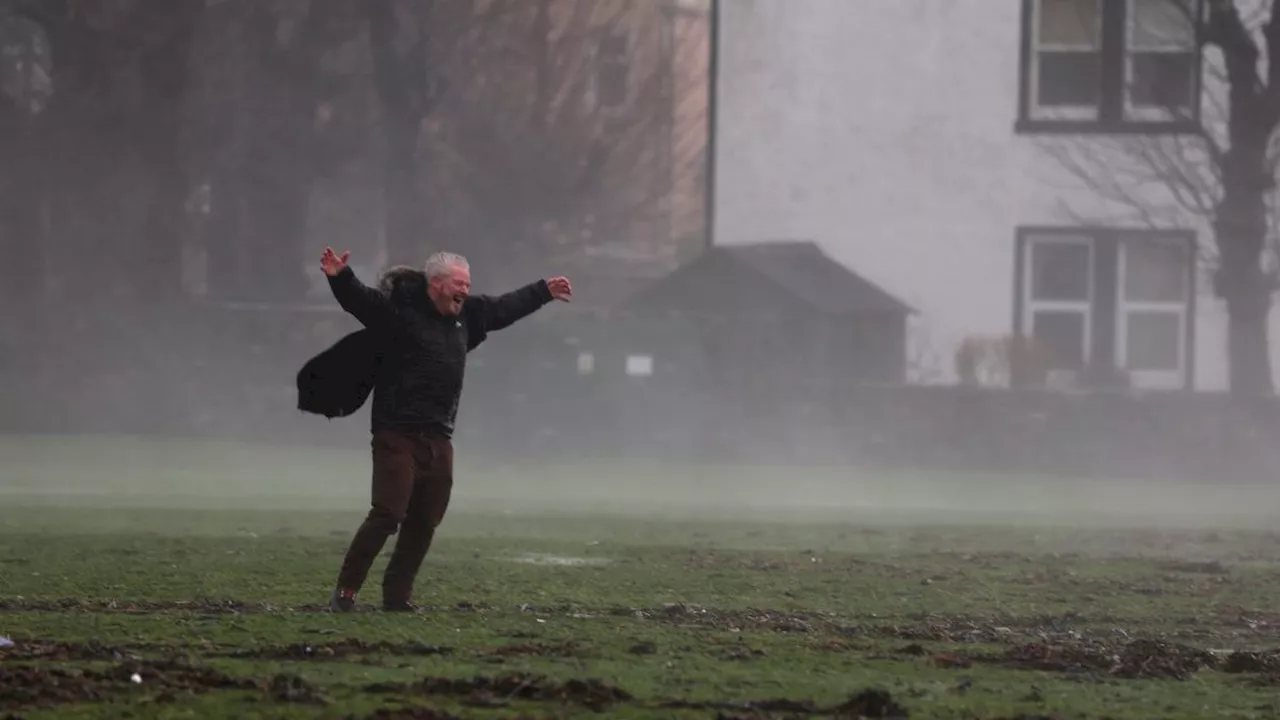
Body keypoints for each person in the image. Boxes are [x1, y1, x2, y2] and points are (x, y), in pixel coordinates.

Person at [297, 247, 572, 612]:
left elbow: (504, 308)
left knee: (424, 520)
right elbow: (363, 303)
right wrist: (339, 276)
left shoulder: (469, 316)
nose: (465, 289)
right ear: (437, 284)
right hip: (396, 434)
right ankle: (346, 592)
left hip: (440, 438)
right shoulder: (401, 314)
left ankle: (397, 597)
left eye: (468, 284)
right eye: (459, 283)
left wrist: (543, 292)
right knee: (388, 514)